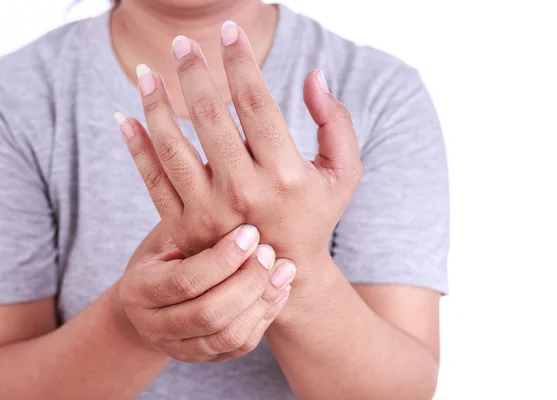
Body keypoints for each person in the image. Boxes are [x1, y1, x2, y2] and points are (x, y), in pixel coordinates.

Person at [0, 0, 449, 399]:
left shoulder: (380, 92)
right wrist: (137, 322)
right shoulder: (17, 98)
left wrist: (295, 265)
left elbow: (402, 389)